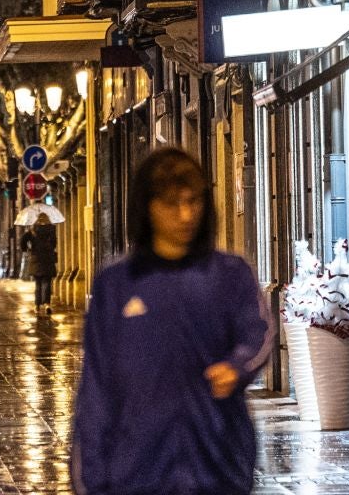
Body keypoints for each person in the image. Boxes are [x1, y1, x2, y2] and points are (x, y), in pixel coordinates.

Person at [71, 147, 270, 495]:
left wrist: (237, 367)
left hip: (217, 463)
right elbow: (97, 385)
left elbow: (258, 333)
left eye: (193, 201)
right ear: (147, 207)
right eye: (171, 203)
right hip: (136, 470)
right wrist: (89, 475)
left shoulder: (230, 275)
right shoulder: (117, 285)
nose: (185, 214)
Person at [22, 217, 60, 312]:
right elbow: (54, 243)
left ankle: (37, 306)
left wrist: (27, 249)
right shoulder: (51, 228)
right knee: (47, 282)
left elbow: (23, 240)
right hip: (47, 258)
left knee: (38, 284)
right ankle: (47, 304)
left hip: (36, 258)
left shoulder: (33, 230)